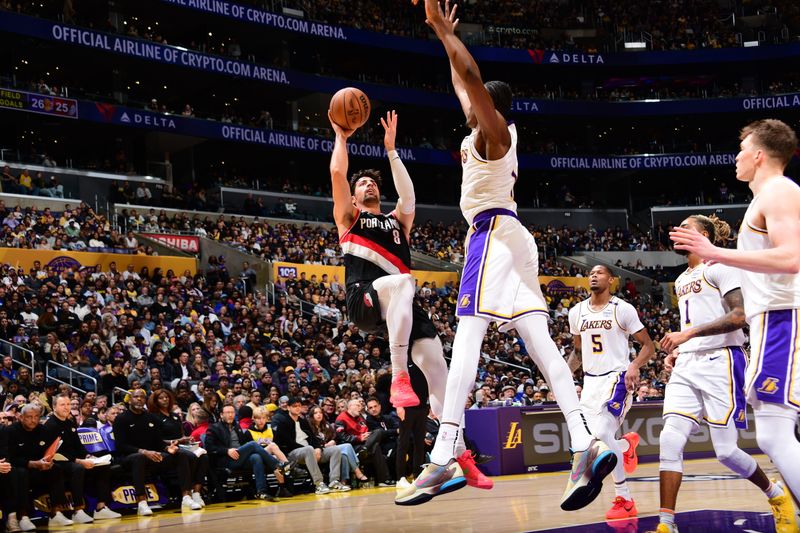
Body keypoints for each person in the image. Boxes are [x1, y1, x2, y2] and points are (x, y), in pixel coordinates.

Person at [399, 0, 615, 509]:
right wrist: (442, 37)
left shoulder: (494, 136)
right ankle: (585, 444)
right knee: (540, 345)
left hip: (491, 234)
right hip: (515, 239)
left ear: (488, 106)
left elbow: (470, 73)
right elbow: (461, 79)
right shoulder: (483, 131)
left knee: (469, 335)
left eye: (475, 102)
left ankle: (445, 450)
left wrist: (443, 33)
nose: (466, 104)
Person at [671, 119, 800, 520]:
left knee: (775, 434)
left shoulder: (779, 191)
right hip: (771, 323)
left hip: (782, 319)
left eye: (742, 149)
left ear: (759, 155)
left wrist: (716, 253)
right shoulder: (767, 198)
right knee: (774, 433)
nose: (737, 157)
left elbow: (792, 257)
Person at [656, 214, 795, 533]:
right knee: (669, 438)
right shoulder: (680, 279)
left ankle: (775, 495)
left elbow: (739, 315)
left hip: (722, 361)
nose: (677, 231)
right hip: (687, 364)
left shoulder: (720, 266)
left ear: (704, 234)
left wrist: (687, 336)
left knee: (726, 451)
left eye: (686, 227)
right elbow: (692, 322)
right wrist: (678, 348)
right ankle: (666, 524)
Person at [328, 109, 449, 413]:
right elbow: (337, 174)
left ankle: (456, 449)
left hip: (400, 306)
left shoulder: (397, 222)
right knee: (403, 282)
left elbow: (408, 198)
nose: (369, 185)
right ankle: (399, 375)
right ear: (353, 198)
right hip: (364, 297)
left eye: (373, 182)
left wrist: (392, 151)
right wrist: (341, 137)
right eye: (362, 184)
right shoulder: (349, 218)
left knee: (438, 369)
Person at [567, 265, 655, 520]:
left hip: (617, 377)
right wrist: (561, 376)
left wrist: (634, 365)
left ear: (611, 280)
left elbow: (649, 346)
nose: (594, 276)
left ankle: (624, 499)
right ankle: (626, 444)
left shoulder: (622, 309)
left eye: (600, 273)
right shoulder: (576, 312)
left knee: (603, 432)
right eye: (591, 273)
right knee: (593, 441)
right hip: (590, 383)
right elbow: (578, 352)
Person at [112, 389, 200, 516]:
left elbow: (158, 442)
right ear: (130, 399)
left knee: (181, 454)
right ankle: (142, 502)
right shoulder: (121, 419)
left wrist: (167, 448)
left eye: (142, 397)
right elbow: (120, 446)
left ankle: (186, 497)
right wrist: (144, 451)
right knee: (139, 458)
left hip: (152, 455)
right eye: (136, 397)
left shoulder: (150, 417)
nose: (139, 399)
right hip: (129, 458)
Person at [44, 395, 121, 524]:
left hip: (74, 460)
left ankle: (101, 507)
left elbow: (78, 445)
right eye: (63, 405)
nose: (66, 407)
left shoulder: (69, 422)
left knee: (103, 465)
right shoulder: (50, 425)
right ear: (54, 407)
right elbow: (56, 452)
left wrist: (87, 456)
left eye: (68, 404)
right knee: (78, 468)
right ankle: (77, 510)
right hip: (58, 462)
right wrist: (79, 461)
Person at [204, 404, 287, 501]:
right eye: (227, 413)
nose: (230, 415)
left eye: (232, 412)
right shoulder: (214, 428)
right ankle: (278, 465)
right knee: (252, 444)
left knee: (256, 457)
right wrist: (226, 451)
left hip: (239, 458)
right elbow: (209, 447)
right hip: (225, 460)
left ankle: (261, 492)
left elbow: (243, 444)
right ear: (221, 415)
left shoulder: (236, 426)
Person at [271, 396, 344, 494]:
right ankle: (319, 484)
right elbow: (288, 443)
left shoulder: (303, 421)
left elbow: (313, 438)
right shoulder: (283, 422)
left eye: (299, 406)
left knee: (335, 450)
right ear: (288, 407)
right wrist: (310, 449)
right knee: (308, 449)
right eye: (294, 406)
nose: (297, 408)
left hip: (310, 452)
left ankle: (334, 481)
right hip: (292, 454)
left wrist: (318, 448)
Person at [307, 405, 368, 485]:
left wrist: (333, 441)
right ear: (312, 415)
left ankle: (343, 482)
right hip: (319, 450)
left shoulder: (326, 425)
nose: (319, 414)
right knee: (347, 446)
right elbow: (311, 441)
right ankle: (357, 471)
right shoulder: (309, 427)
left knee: (344, 455)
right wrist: (323, 445)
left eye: (320, 412)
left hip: (331, 449)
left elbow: (335, 437)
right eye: (316, 413)